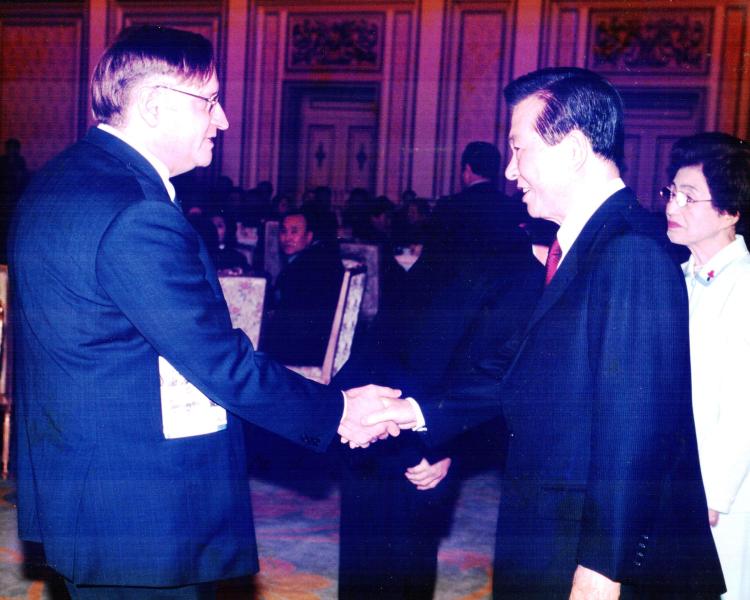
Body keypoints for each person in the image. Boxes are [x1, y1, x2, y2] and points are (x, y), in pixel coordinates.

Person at [8, 25, 407, 599]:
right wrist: (339, 409)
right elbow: (219, 363)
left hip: (83, 485)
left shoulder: (60, 178)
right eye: (210, 101)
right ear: (154, 106)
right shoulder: (135, 210)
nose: (222, 119)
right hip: (141, 508)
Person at [368, 67, 725, 599]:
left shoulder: (630, 251)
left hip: (588, 553)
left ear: (573, 150)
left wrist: (603, 569)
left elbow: (637, 429)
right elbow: (519, 369)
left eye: (519, 149)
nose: (511, 170)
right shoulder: (584, 244)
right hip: (551, 529)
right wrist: (415, 411)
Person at [334, 141, 542, 599]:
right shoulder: (520, 271)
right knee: (405, 557)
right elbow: (487, 377)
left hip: (374, 407)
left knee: (368, 556)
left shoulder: (442, 242)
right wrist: (444, 448)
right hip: (420, 421)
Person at [664, 132, 750, 600]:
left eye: (688, 196)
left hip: (724, 494)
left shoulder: (744, 286)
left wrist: (714, 494)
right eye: (671, 192)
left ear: (730, 211)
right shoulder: (681, 277)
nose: (672, 205)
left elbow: (744, 405)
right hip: (680, 477)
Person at [259, 210, 343, 365]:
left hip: (304, 349)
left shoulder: (305, 267)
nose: (287, 238)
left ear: (309, 237)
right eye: (283, 232)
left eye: (294, 232)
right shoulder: (314, 258)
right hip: (320, 343)